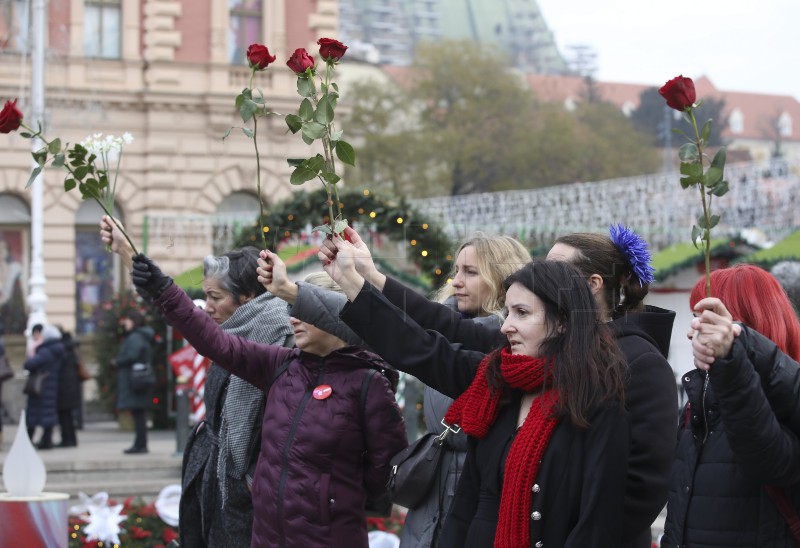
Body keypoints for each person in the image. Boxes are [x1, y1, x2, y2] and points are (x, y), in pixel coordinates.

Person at [272, 225, 676, 548]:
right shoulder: (511, 370)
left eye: (557, 271)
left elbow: (630, 497)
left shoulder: (625, 371)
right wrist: (365, 278)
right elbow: (430, 343)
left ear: (586, 290)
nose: (507, 325)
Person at [262, 233, 531, 547]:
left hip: (476, 493)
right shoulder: (441, 320)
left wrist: (350, 281)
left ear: (501, 279)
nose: (457, 281)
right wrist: (294, 292)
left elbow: (412, 337)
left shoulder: (504, 346)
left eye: (470, 272)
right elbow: (379, 328)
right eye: (456, 270)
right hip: (432, 494)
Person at [128, 252, 408, 548]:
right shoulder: (281, 365)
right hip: (267, 537)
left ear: (338, 316)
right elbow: (213, 341)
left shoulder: (369, 383)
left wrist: (333, 498)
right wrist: (163, 290)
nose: (294, 318)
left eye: (307, 310)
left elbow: (386, 471)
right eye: (292, 308)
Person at [100, 214, 296, 546]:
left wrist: (248, 481)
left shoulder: (275, 335)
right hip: (219, 479)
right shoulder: (234, 327)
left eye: (216, 298)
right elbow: (183, 312)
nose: (207, 308)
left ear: (248, 296)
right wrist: (125, 252)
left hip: (246, 494)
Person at [662, 264, 800, 547]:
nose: (693, 334)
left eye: (707, 321)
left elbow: (769, 461)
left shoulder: (784, 399)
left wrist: (732, 360)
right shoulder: (699, 402)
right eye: (695, 319)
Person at [115, 309, 155, 454]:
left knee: (138, 414)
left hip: (135, 380)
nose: (125, 323)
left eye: (128, 320)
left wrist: (118, 361)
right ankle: (140, 443)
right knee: (139, 413)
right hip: (139, 379)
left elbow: (132, 356)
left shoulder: (135, 337)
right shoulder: (140, 336)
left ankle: (140, 445)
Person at [24, 324, 65, 450]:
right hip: (51, 386)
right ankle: (46, 441)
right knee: (48, 415)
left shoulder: (46, 350)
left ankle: (28, 441)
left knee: (33, 415)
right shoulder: (58, 349)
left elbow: (30, 364)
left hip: (41, 387)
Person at [56, 328, 82, 447]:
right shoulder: (72, 350)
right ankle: (71, 439)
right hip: (72, 387)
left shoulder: (63, 351)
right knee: (68, 416)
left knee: (64, 416)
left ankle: (67, 439)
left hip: (64, 387)